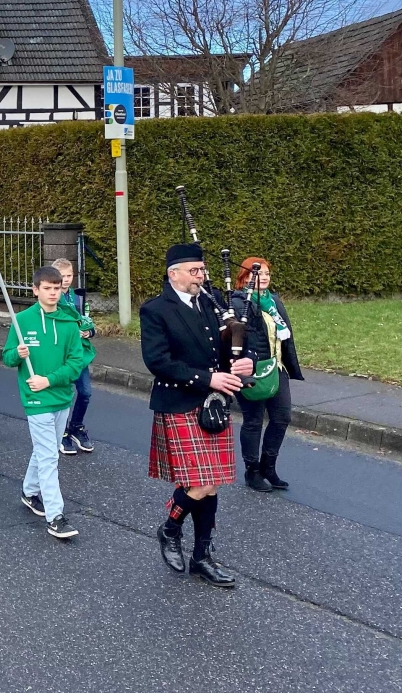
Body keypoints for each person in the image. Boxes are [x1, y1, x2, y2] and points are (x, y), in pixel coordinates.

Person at [141, 243, 254, 587]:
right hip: (179, 403)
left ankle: (202, 557)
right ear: (173, 273)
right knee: (201, 483)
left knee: (211, 483)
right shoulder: (156, 310)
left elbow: (227, 344)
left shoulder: (209, 303)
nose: (200, 277)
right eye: (194, 271)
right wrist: (207, 378)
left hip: (213, 404)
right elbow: (157, 361)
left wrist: (242, 361)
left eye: (202, 270)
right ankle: (170, 528)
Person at [2, 266, 86, 540]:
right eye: (47, 288)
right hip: (35, 399)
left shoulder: (69, 323)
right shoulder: (22, 321)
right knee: (50, 455)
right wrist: (17, 352)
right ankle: (56, 517)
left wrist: (48, 381)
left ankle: (29, 492)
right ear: (35, 290)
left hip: (60, 396)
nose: (53, 293)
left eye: (57, 288)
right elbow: (6, 357)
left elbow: (76, 363)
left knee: (43, 450)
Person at [231, 256, 304, 493]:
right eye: (257, 273)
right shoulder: (239, 302)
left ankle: (268, 467)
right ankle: (252, 471)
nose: (263, 278)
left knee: (282, 417)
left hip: (276, 367)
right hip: (251, 370)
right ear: (245, 277)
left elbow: (285, 335)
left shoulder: (272, 301)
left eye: (267, 274)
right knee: (253, 421)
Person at [52, 258, 98, 455]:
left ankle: (76, 427)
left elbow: (86, 320)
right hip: (61, 353)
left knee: (85, 392)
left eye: (69, 275)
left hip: (79, 353)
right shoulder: (52, 297)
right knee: (63, 393)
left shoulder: (77, 297)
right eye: (62, 276)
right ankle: (60, 431)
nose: (66, 280)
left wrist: (89, 332)